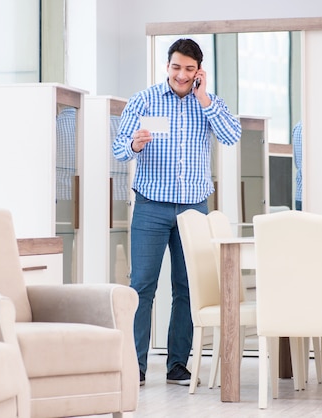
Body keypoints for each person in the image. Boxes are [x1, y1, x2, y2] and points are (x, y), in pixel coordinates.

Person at [112, 38, 241, 386]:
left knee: (187, 286)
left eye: (188, 69)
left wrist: (204, 98)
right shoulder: (144, 100)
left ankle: (178, 366)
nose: (181, 75)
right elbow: (119, 147)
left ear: (198, 71)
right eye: (175, 67)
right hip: (151, 206)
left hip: (194, 209)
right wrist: (134, 144)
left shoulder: (210, 103)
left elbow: (232, 136)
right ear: (166, 66)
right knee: (141, 286)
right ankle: (134, 366)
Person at [292, 121, 302, 211]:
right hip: (315, 197)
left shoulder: (297, 127)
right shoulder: (314, 128)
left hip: (299, 195)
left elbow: (296, 162)